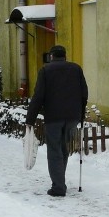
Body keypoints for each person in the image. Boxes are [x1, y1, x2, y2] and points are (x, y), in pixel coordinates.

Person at [26, 45, 88, 197]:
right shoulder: (76, 69)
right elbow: (84, 93)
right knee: (63, 148)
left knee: (54, 150)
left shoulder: (45, 71)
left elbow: (38, 96)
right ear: (65, 56)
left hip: (53, 117)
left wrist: (30, 119)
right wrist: (81, 115)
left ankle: (59, 187)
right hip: (72, 117)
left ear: (51, 56)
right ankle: (60, 181)